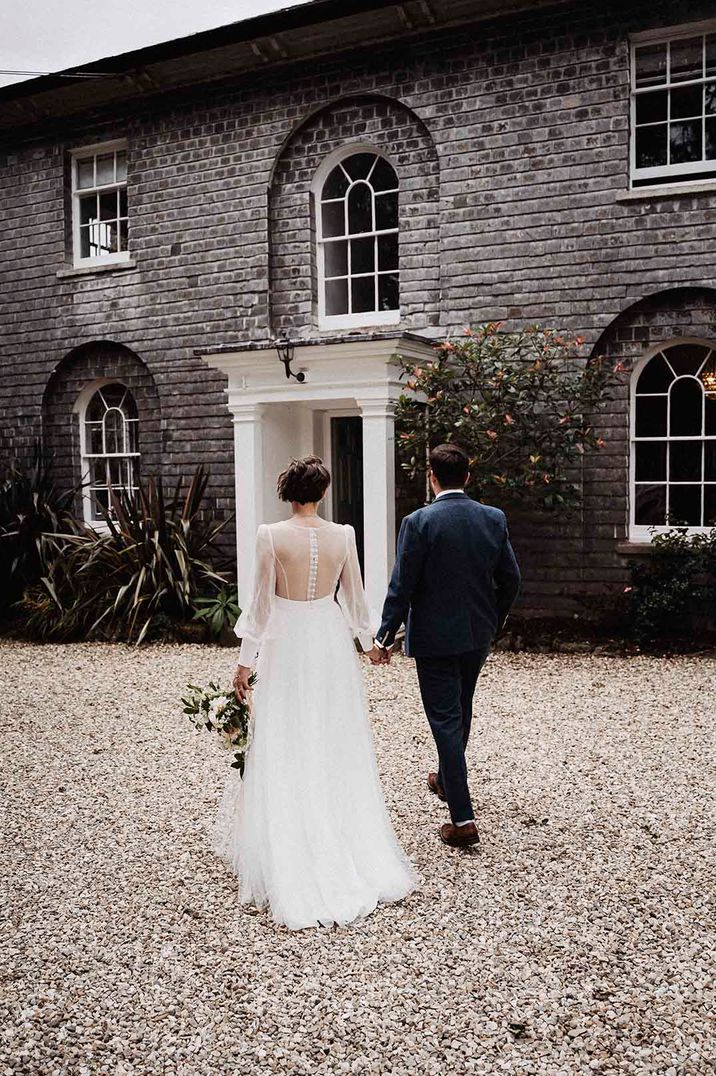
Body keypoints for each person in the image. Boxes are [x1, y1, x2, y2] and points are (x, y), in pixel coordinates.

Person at [212, 456, 418, 930]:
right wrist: (371, 646)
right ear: (322, 493)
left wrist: (245, 664)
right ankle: (337, 835)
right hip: (327, 640)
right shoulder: (343, 535)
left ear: (288, 492)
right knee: (331, 732)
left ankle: (290, 841)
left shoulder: (269, 535)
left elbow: (261, 607)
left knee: (286, 733)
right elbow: (355, 598)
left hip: (288, 640)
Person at [374, 443, 521, 848]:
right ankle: (444, 777)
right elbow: (512, 578)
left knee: (445, 719)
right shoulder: (493, 518)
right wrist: (495, 618)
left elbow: (402, 583)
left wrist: (384, 635)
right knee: (461, 707)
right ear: (468, 477)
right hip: (477, 634)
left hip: (435, 639)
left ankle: (462, 818)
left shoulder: (419, 522)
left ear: (431, 477)